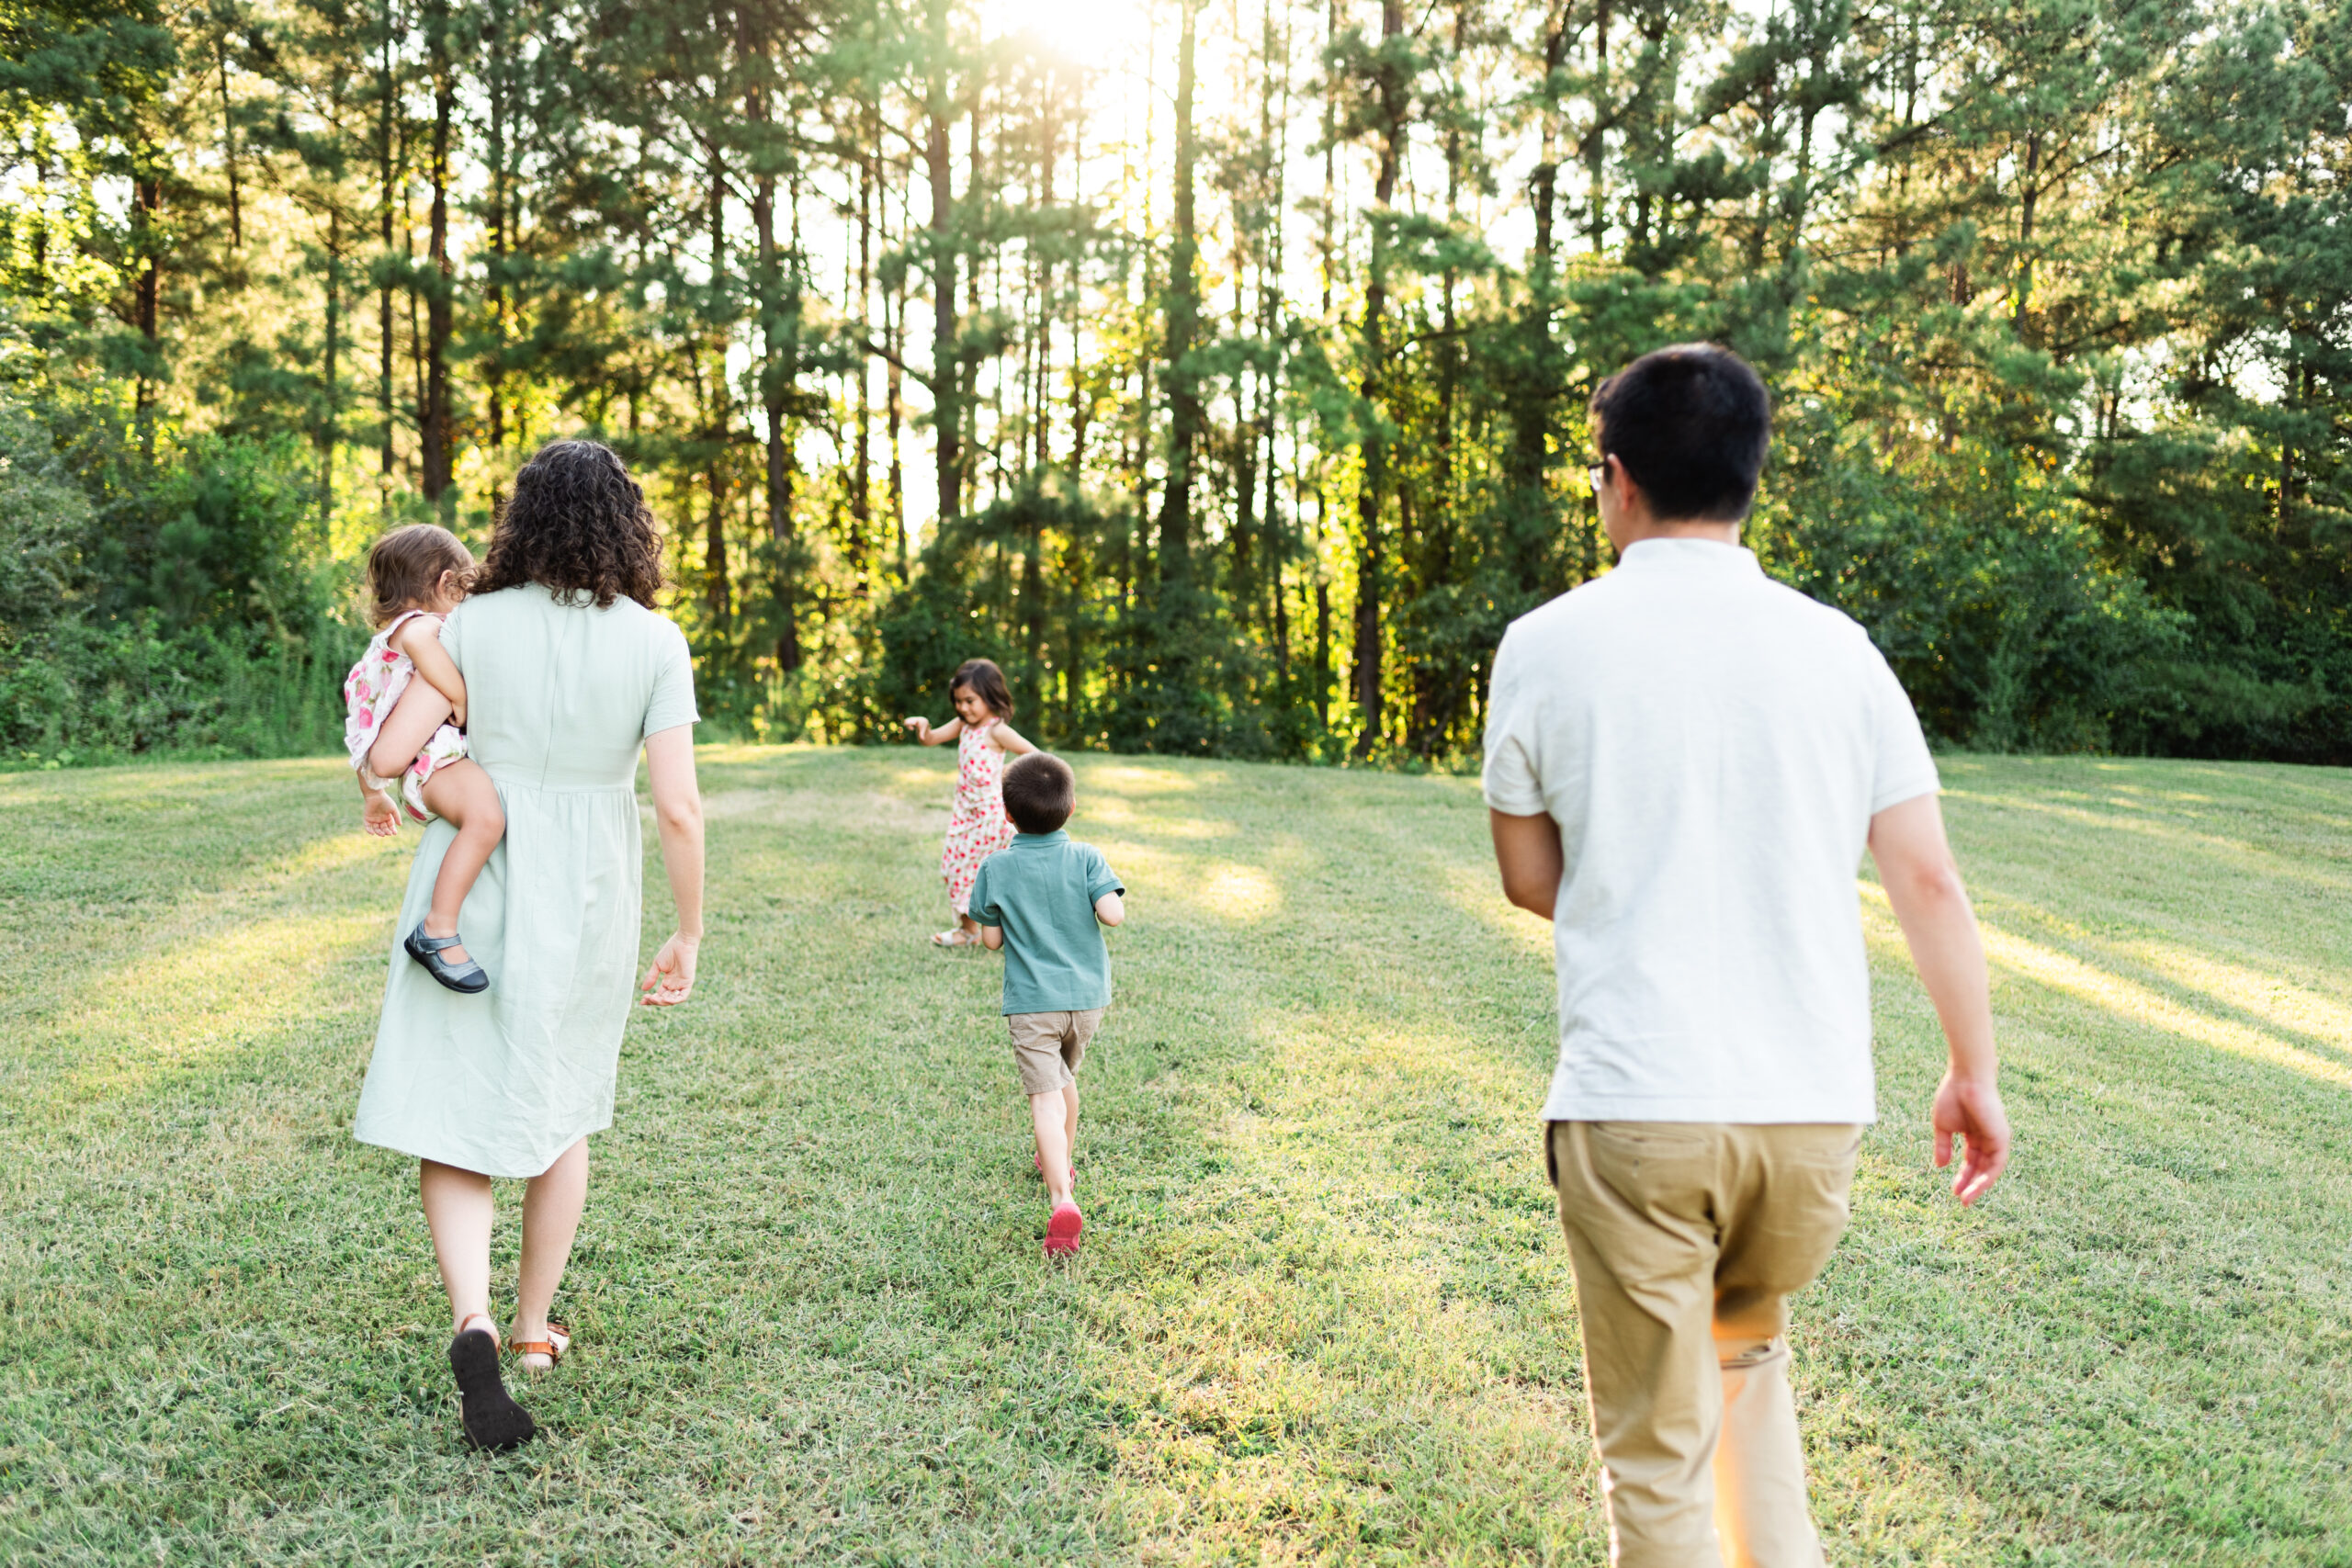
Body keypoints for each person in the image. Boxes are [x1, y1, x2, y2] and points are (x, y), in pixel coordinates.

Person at [1481, 344, 2012, 1567]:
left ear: (1616, 478)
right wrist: (1971, 1071)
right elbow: (1928, 879)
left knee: (1657, 1461)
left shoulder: (1546, 643)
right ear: (1749, 477)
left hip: (1638, 1109)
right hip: (1807, 1119)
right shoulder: (1839, 648)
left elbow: (1528, 877)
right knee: (1746, 1355)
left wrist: (1636, 894)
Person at [352, 439, 706, 1452]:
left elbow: (391, 751)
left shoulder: (470, 624)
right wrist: (688, 930)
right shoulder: (656, 640)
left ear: (522, 520)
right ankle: (532, 1330)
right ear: (627, 525)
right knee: (563, 1102)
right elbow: (677, 807)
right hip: (589, 885)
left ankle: (471, 1319)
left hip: (473, 878)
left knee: (457, 1108)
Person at [969, 752, 1125, 1257]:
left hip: (1033, 1004)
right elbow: (1113, 914)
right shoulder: (1086, 857)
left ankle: (1062, 1196)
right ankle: (1060, 1158)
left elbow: (991, 941)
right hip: (1087, 1001)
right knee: (1063, 1079)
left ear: (1007, 813)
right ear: (1071, 807)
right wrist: (1102, 899)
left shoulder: (995, 867)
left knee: (1044, 1098)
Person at [343, 525, 507, 994]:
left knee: (484, 820)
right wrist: (461, 697)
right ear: (445, 582)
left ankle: (441, 925)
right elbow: (426, 651)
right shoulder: (422, 627)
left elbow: (364, 731)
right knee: (486, 820)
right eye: (464, 590)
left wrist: (373, 796)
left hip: (420, 766)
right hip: (433, 762)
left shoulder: (382, 645)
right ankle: (438, 928)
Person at [902, 657, 1036, 947]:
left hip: (991, 819)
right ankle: (969, 931)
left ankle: (1011, 932)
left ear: (990, 696)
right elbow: (930, 739)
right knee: (954, 868)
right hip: (965, 816)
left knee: (995, 876)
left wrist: (1009, 776)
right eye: (958, 701)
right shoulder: (963, 725)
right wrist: (923, 726)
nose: (963, 707)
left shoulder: (997, 731)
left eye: (970, 701)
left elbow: (1035, 756)